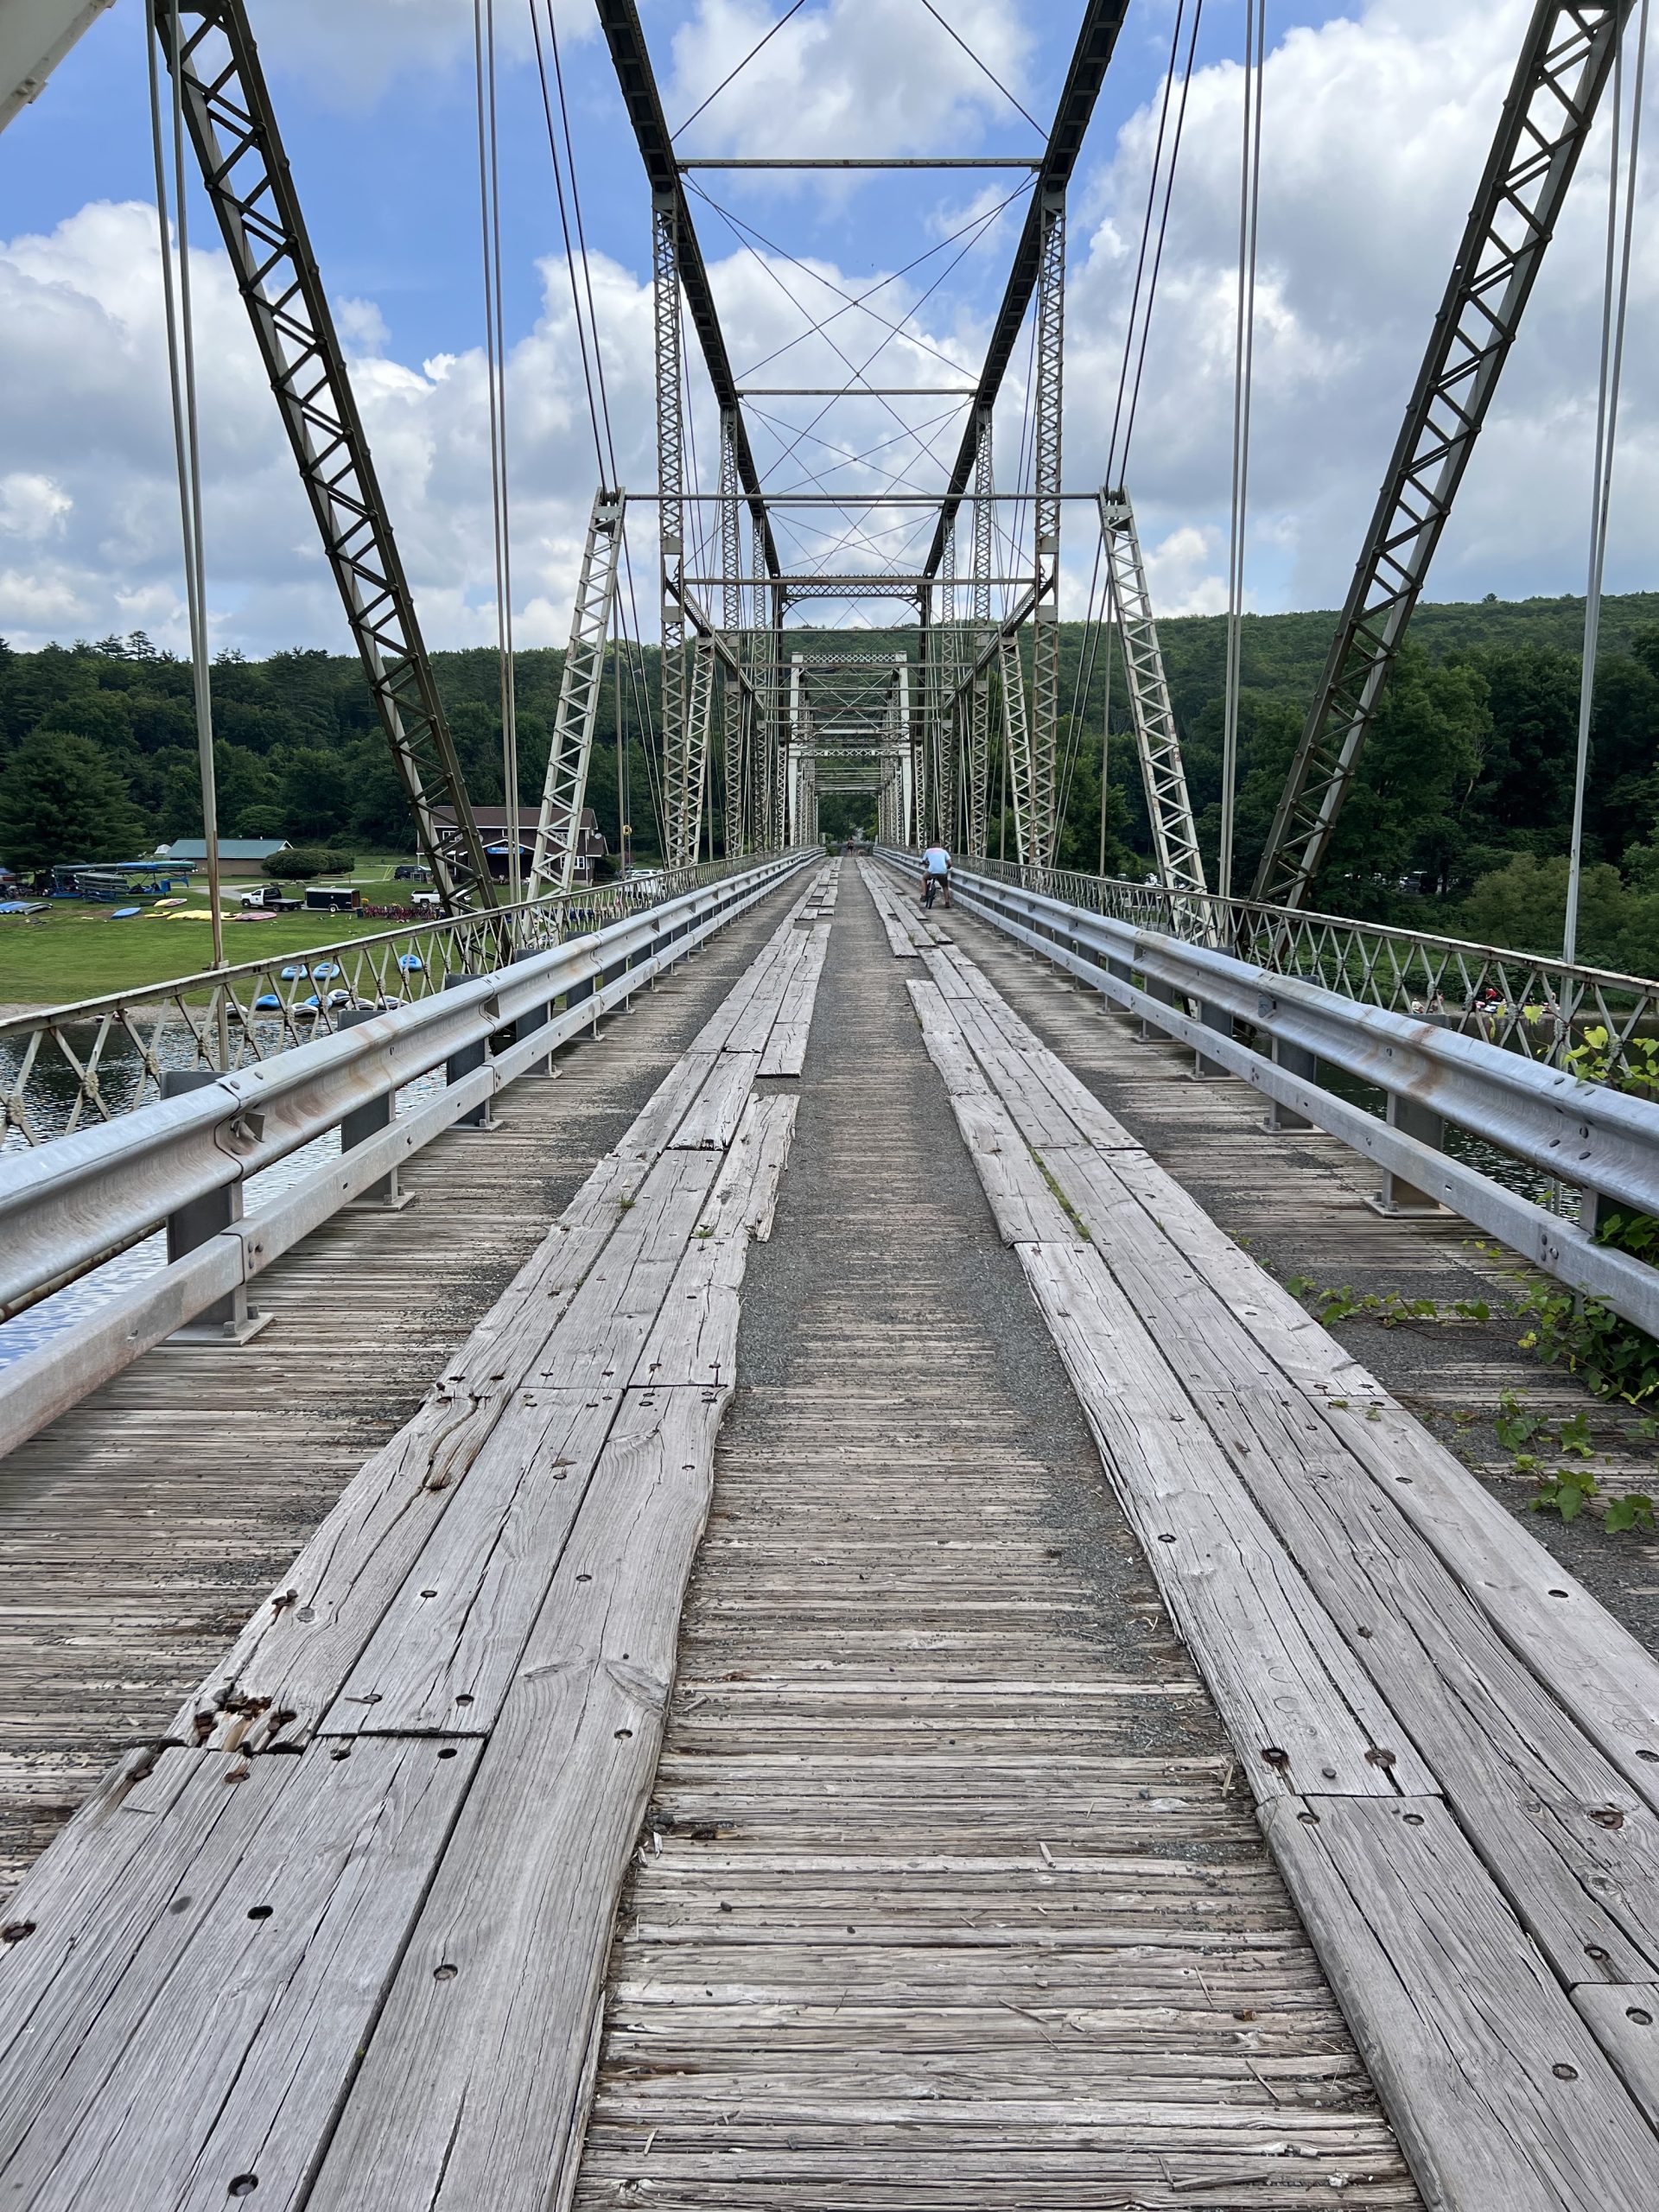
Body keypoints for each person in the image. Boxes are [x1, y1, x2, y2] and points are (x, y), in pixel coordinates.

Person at [920, 840, 952, 909]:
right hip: (942, 872)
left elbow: (923, 861)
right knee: (945, 886)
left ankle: (924, 895)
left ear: (932, 846)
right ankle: (947, 902)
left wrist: (925, 863)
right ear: (939, 846)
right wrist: (948, 867)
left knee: (924, 878)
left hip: (932, 871)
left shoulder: (928, 851)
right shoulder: (944, 851)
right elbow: (950, 863)